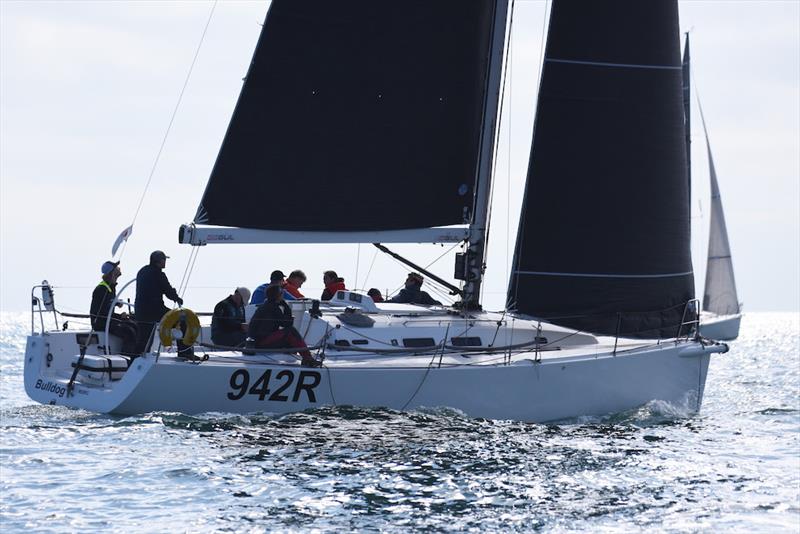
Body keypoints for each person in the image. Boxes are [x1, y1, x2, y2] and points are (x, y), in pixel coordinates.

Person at [248, 285, 319, 367]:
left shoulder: (267, 305)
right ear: (278, 295)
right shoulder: (272, 307)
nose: (283, 295)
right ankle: (307, 357)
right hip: (262, 341)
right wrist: (286, 306)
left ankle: (299, 353)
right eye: (282, 293)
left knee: (288, 335)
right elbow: (287, 324)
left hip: (259, 340)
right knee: (291, 331)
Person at [134, 250, 184, 353]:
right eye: (164, 260)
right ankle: (185, 352)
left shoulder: (142, 271)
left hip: (140, 311)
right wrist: (177, 298)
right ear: (159, 261)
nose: (165, 262)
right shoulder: (159, 274)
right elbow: (168, 292)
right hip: (155, 310)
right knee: (183, 321)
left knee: (144, 339)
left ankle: (135, 359)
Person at [90, 260, 139, 357]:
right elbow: (103, 312)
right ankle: (126, 360)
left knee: (135, 326)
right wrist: (120, 316)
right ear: (112, 272)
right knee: (129, 332)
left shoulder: (111, 287)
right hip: (101, 322)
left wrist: (116, 303)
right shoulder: (102, 289)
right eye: (116, 267)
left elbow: (108, 304)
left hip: (108, 319)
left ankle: (136, 357)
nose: (119, 268)